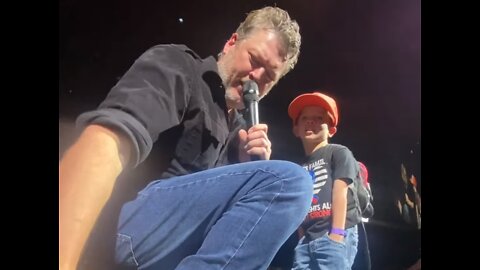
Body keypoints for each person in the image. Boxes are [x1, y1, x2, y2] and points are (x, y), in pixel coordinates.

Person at [59, 6, 313, 270]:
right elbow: (104, 143)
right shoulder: (180, 67)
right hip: (121, 226)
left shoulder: (239, 132)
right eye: (254, 60)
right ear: (231, 43)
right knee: (289, 182)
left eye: (269, 77)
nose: (256, 78)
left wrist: (245, 167)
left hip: (172, 250)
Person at [287, 92, 361, 270]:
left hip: (333, 233)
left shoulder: (338, 152)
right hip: (307, 239)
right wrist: (301, 237)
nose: (311, 121)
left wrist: (336, 234)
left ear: (332, 130)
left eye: (319, 118)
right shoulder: (297, 166)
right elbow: (299, 205)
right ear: (296, 129)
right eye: (304, 118)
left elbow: (340, 192)